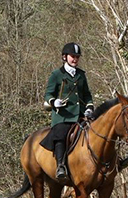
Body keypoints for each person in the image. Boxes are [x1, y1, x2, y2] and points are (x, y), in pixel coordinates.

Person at [41, 42, 95, 185]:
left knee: (102, 129)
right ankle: (60, 166)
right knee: (60, 134)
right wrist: (54, 102)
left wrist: (89, 107)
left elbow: (87, 95)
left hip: (82, 115)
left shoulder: (81, 75)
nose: (75, 59)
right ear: (65, 57)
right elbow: (48, 94)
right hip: (63, 115)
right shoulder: (56, 75)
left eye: (77, 57)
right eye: (72, 56)